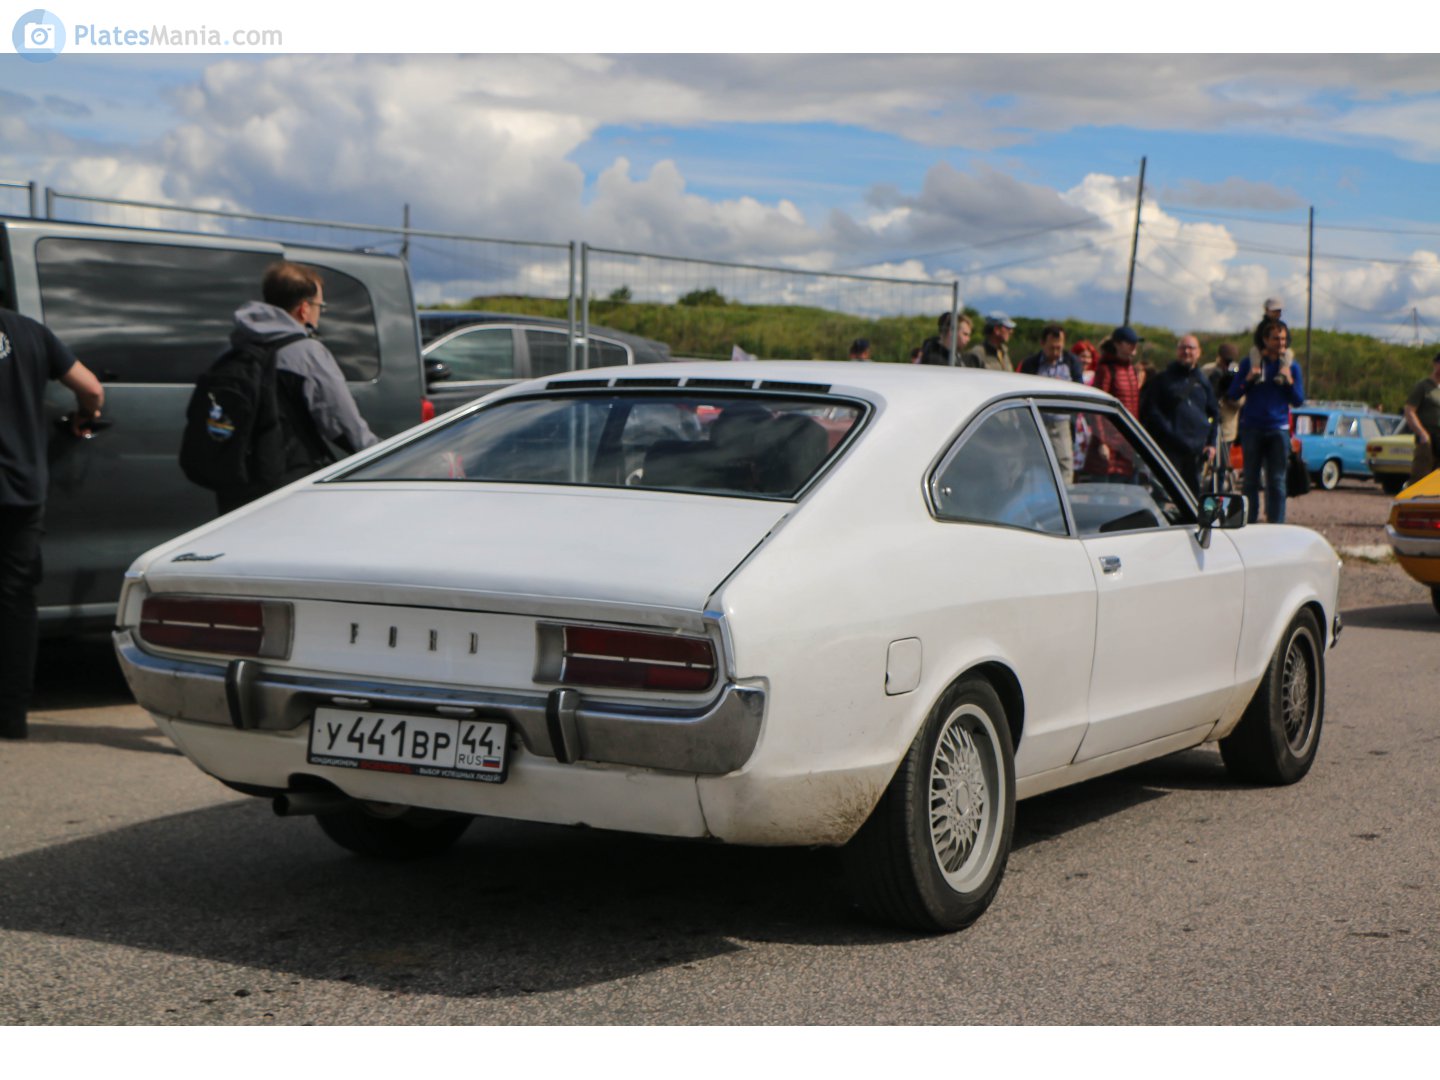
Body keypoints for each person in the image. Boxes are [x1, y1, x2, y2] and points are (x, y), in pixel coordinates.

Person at [0, 309, 105, 740]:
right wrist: (84, 417)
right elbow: (92, 389)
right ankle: (10, 716)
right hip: (21, 489)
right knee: (15, 601)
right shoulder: (27, 330)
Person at [219, 261, 379, 514]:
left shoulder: (235, 348)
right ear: (304, 309)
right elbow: (344, 424)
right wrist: (384, 458)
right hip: (288, 486)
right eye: (320, 306)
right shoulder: (308, 353)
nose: (319, 313)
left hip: (235, 484)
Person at [1229, 320, 1304, 523]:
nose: (1281, 342)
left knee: (1277, 481)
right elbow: (1233, 393)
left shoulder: (1292, 367)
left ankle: (1276, 523)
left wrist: (1289, 382)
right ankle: (1249, 522)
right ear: (1265, 340)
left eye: (1283, 338)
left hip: (1278, 429)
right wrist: (1248, 379)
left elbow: (1298, 400)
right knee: (1250, 481)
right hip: (1252, 428)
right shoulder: (1250, 363)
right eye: (1275, 338)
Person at [1140, 334, 1220, 495]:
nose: (1187, 351)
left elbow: (1214, 412)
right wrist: (1170, 434)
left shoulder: (1203, 381)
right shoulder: (1163, 379)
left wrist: (1211, 443)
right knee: (1163, 494)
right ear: (1177, 351)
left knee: (1193, 498)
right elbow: (1152, 411)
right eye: (1183, 347)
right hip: (1169, 449)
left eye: (1191, 348)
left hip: (1196, 452)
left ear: (1199, 352)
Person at [1020, 324, 1083, 480]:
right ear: (1042, 344)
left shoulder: (1072, 362)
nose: (1055, 352)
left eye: (1059, 348)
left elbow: (1079, 390)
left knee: (1064, 463)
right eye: (1051, 348)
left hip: (1061, 422)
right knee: (1035, 463)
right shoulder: (1031, 364)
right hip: (1037, 422)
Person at [1402, 352, 1440, 485]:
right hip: (1427, 438)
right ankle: (1414, 504)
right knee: (1421, 477)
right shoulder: (1423, 386)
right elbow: (1409, 411)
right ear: (1435, 364)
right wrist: (1422, 433)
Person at [1092, 326, 1143, 415]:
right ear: (1117, 344)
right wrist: (1100, 429)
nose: (1134, 345)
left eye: (1135, 342)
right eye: (1129, 343)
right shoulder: (1106, 369)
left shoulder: (1131, 369)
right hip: (1112, 427)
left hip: (1129, 425)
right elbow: (1099, 403)